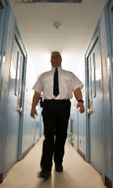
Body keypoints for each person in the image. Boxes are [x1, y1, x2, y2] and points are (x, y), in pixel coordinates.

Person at [30, 51, 85, 180]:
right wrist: (33, 107)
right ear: (50, 60)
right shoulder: (43, 76)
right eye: (53, 56)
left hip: (63, 107)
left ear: (61, 59)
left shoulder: (69, 75)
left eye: (57, 56)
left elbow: (76, 89)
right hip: (48, 107)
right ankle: (45, 169)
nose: (55, 58)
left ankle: (58, 161)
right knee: (48, 138)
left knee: (61, 137)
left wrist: (81, 102)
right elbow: (37, 93)